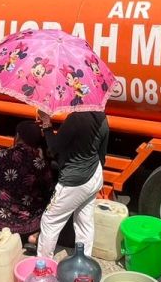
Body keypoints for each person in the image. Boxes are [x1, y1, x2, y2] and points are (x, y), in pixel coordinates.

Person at [36, 108, 108, 258]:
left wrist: (47, 123)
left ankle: (43, 267)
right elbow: (102, 155)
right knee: (84, 222)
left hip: (74, 181)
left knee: (50, 220)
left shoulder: (75, 118)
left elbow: (54, 148)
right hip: (94, 175)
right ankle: (84, 261)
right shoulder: (102, 118)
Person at [0, 120, 56, 245]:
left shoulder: (1, 155)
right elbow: (49, 188)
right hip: (25, 224)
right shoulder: (40, 164)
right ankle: (32, 236)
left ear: (17, 136)